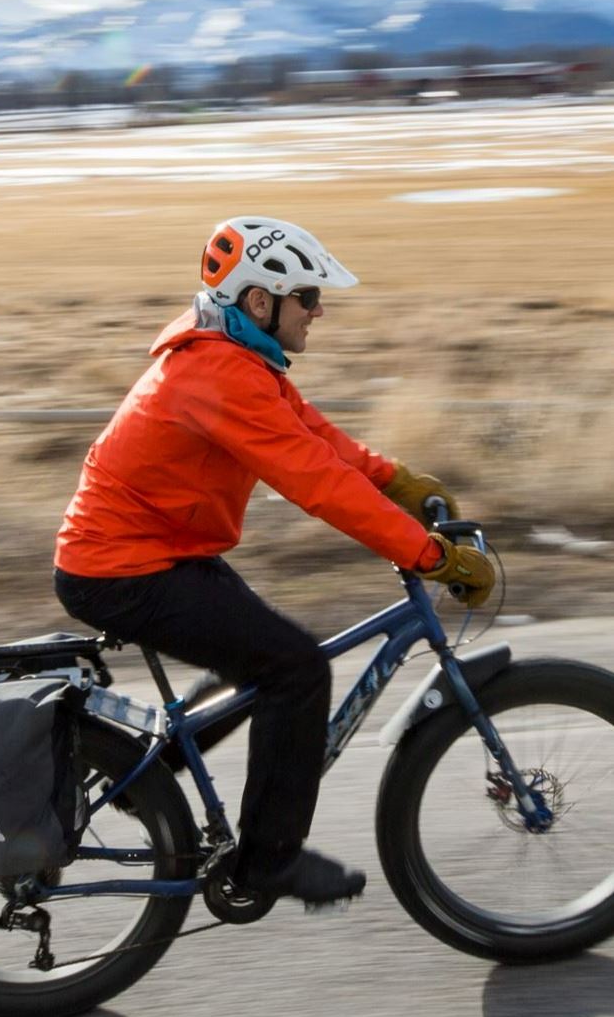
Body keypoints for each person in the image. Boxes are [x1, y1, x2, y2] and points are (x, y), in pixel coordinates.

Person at [54, 216, 494, 905]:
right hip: (124, 568)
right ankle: (266, 862)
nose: (318, 310)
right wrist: (428, 555)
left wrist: (395, 480)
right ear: (260, 300)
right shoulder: (219, 373)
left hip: (157, 551)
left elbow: (311, 435)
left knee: (262, 657)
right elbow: (315, 483)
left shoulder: (234, 353)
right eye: (308, 296)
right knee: (294, 668)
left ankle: (144, 779)